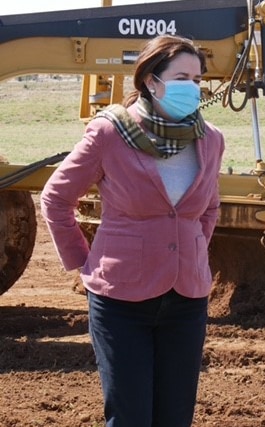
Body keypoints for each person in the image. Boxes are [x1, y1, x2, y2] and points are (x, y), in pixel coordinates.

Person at [40, 34, 225, 427]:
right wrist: (82, 262)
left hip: (187, 298)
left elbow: (208, 208)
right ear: (151, 82)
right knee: (130, 418)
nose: (192, 87)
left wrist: (190, 252)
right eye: (182, 77)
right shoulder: (110, 133)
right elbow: (56, 199)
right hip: (121, 300)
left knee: (175, 418)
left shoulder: (210, 139)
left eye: (197, 79)